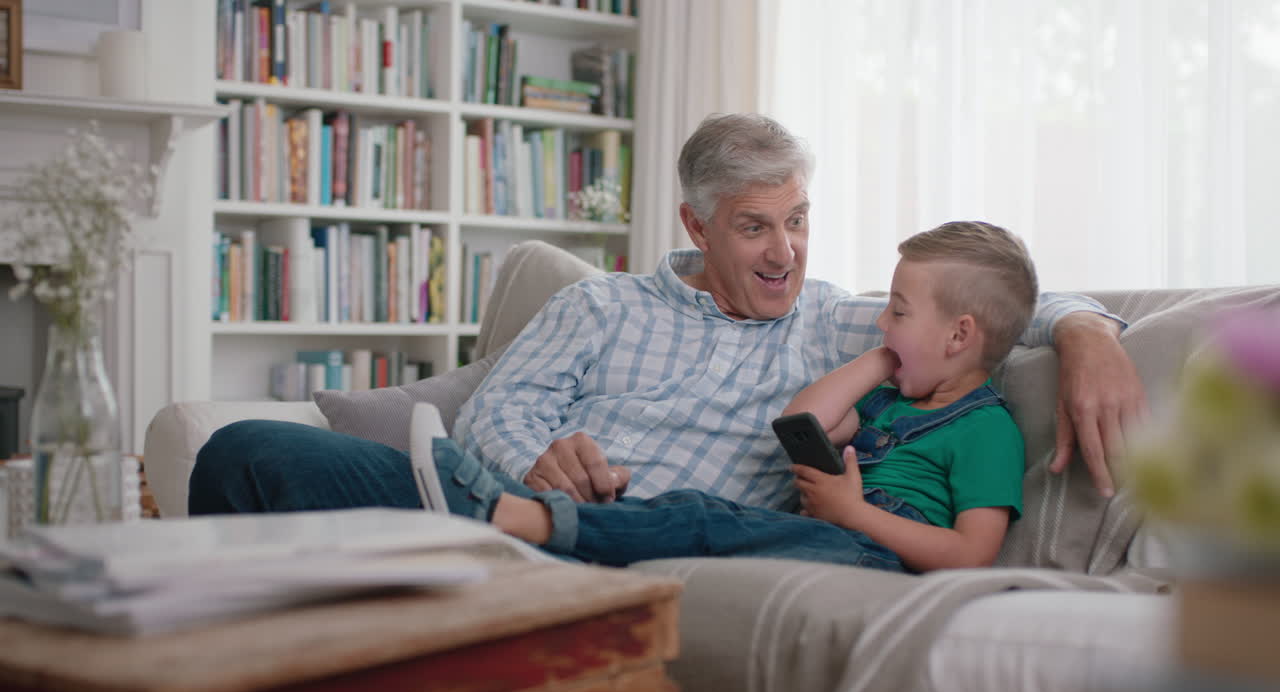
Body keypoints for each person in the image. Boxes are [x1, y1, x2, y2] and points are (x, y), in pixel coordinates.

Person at [189, 113, 1144, 519]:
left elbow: (986, 305)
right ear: (696, 225)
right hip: (498, 504)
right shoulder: (598, 304)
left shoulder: (834, 324)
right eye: (755, 227)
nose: (785, 252)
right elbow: (496, 410)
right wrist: (543, 457)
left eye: (798, 220)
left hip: (651, 537)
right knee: (243, 451)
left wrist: (1086, 331)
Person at [409, 220, 1034, 571]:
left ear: (959, 336)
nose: (879, 321)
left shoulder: (984, 430)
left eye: (897, 312)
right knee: (696, 512)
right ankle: (489, 508)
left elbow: (971, 554)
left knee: (702, 516)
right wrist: (884, 355)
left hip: (868, 553)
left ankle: (513, 516)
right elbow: (801, 420)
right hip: (820, 535)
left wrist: (855, 514)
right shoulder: (888, 399)